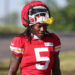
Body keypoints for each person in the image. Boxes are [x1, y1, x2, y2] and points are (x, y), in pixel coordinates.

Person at [8, 1, 61, 75]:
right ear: (30, 25)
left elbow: (56, 70)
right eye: (39, 26)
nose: (42, 29)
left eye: (45, 26)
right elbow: (12, 71)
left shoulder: (53, 39)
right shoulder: (20, 41)